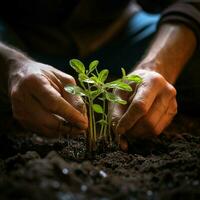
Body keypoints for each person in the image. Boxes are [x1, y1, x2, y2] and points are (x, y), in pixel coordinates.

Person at [0, 0, 199, 150]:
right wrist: (12, 66)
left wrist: (157, 67)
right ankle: (24, 91)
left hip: (121, 35)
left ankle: (135, 91)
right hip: (18, 42)